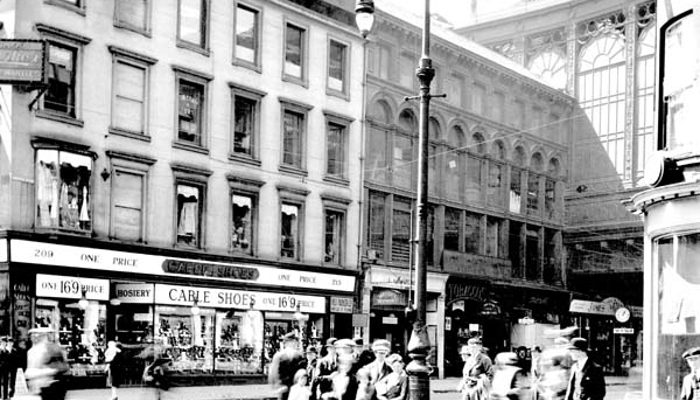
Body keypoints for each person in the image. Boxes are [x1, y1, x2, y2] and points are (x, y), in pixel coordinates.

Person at [24, 327, 69, 400]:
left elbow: (62, 366)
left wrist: (51, 371)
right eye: (32, 336)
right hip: (42, 385)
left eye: (37, 336)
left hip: (51, 384)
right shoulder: (31, 351)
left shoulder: (52, 348)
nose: (34, 338)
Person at [269, 332, 306, 400]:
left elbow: (302, 373)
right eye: (291, 342)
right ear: (285, 343)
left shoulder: (299, 356)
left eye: (295, 342)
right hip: (283, 388)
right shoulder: (278, 356)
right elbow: (274, 373)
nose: (294, 344)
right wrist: (276, 387)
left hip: (295, 389)